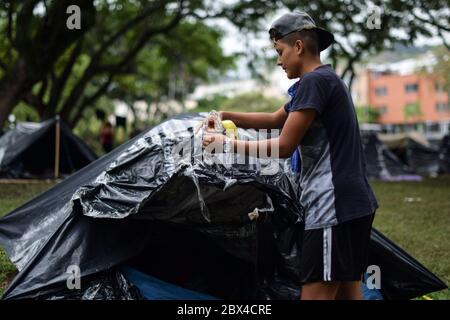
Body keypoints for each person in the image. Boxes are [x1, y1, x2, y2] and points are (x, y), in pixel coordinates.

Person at [202, 11, 378, 300]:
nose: (278, 60)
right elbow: (275, 118)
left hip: (331, 207)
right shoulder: (324, 80)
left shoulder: (315, 83)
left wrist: (225, 144)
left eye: (279, 51)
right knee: (349, 295)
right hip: (354, 204)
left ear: (298, 46)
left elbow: (284, 146)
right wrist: (224, 115)